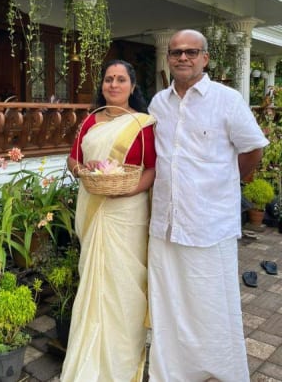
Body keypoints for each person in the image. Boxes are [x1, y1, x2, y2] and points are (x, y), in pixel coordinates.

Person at [147, 29, 268, 381]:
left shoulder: (227, 100)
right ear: (168, 58)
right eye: (176, 52)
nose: (182, 57)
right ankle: (174, 370)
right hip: (166, 224)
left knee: (212, 304)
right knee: (169, 304)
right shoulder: (158, 104)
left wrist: (226, 181)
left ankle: (220, 369)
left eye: (191, 51)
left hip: (209, 223)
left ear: (205, 58)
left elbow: (253, 149)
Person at [62, 60, 157, 381]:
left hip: (128, 213)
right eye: (108, 79)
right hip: (94, 207)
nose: (113, 85)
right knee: (94, 283)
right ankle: (90, 359)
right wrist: (82, 170)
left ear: (133, 86)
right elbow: (73, 158)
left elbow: (151, 170)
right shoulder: (91, 120)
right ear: (102, 85)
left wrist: (128, 190)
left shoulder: (143, 124)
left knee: (125, 286)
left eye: (120, 79)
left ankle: (121, 363)